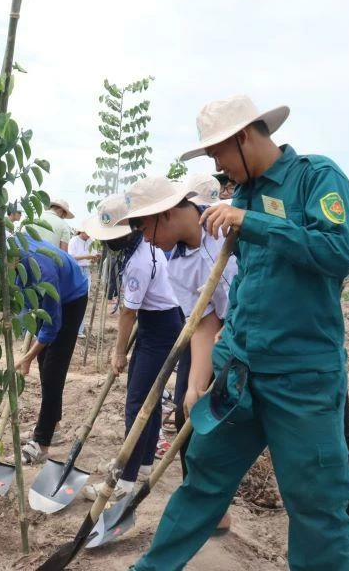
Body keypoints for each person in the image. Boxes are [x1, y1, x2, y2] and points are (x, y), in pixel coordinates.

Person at [130, 95, 349, 571]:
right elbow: (228, 304)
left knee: (315, 507)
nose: (218, 169)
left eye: (219, 156)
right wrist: (201, 377)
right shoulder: (245, 196)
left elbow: (337, 252)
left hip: (302, 382)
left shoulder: (318, 178)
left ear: (243, 138)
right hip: (240, 377)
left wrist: (252, 221)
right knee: (203, 483)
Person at [121, 173, 237, 532]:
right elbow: (204, 320)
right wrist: (196, 381)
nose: (145, 238)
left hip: (267, 338)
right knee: (189, 413)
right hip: (216, 338)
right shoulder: (173, 263)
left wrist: (231, 332)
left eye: (144, 228)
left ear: (167, 214)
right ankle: (210, 509)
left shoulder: (229, 221)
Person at [81, 193, 183, 501]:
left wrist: (118, 352)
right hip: (158, 323)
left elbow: (128, 312)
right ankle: (143, 465)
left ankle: (124, 481)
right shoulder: (143, 248)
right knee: (147, 402)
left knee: (137, 405)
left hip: (161, 330)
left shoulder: (139, 261)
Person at [13, 232, 89, 464]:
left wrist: (26, 357)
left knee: (53, 370)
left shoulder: (42, 271)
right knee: (45, 365)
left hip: (71, 298)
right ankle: (52, 425)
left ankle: (42, 443)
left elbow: (51, 326)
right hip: (49, 295)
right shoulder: (4, 251)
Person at [67, 229, 100, 337]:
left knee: (84, 298)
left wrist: (95, 259)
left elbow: (93, 258)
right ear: (81, 231)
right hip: (76, 269)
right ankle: (71, 327)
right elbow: (70, 257)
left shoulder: (92, 241)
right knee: (73, 298)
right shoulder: (73, 241)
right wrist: (87, 256)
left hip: (86, 270)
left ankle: (79, 330)